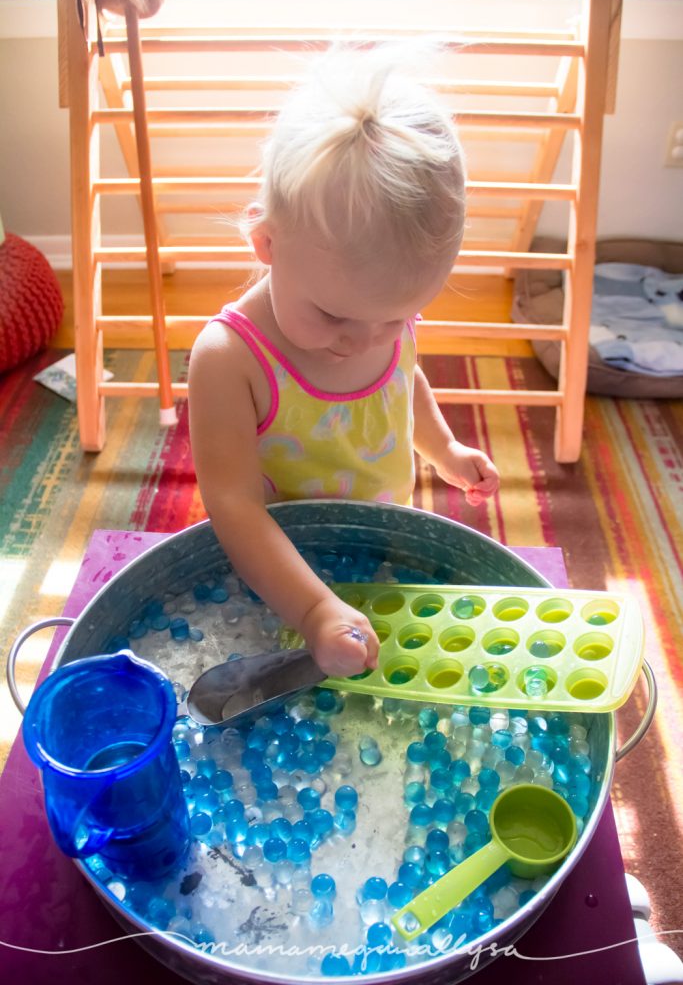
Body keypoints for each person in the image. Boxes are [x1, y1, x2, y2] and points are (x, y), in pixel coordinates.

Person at [189, 44, 500, 679]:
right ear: (265, 242)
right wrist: (312, 612)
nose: (365, 341)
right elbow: (234, 506)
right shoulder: (228, 359)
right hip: (279, 575)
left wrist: (442, 449)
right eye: (333, 316)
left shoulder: (379, 316)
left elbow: (400, 381)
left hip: (381, 545)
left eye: (395, 317)